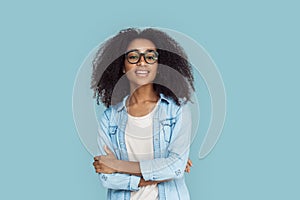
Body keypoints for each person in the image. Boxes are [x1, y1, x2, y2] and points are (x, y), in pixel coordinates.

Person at [91, 28, 195, 200]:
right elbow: (106, 177)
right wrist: (162, 170)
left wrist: (117, 165)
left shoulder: (177, 109)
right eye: (133, 57)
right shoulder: (110, 118)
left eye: (150, 56)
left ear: (158, 66)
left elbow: (175, 166)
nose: (142, 62)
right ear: (122, 66)